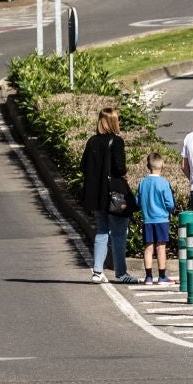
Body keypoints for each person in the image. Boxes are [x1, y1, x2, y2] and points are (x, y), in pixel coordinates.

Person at [80, 106, 137, 284]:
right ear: (114, 121)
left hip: (97, 195)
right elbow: (120, 167)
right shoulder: (117, 141)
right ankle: (121, 273)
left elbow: (83, 166)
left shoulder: (92, 141)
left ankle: (97, 271)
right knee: (119, 235)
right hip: (115, 194)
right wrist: (123, 174)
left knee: (102, 231)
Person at [137, 151, 176, 284]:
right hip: (161, 219)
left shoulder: (143, 183)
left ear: (148, 166)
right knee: (161, 247)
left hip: (147, 219)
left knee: (148, 247)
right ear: (162, 165)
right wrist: (169, 210)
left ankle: (148, 276)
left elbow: (138, 201)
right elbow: (170, 203)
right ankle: (162, 276)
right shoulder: (164, 183)